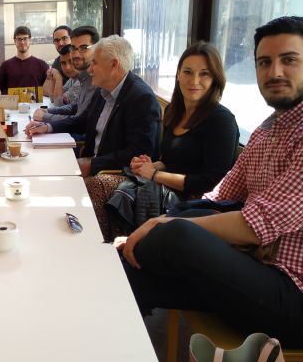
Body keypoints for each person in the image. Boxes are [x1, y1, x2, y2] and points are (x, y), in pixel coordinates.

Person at [118, 16, 303, 347]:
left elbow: (252, 226)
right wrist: (162, 224)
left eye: (289, 60)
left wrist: (164, 221)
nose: (274, 72)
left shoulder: (227, 121)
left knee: (175, 233)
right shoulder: (267, 130)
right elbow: (220, 194)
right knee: (125, 273)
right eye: (264, 62)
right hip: (251, 267)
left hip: (291, 296)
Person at [27, 35, 161, 239]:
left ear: (114, 65)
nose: (89, 69)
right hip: (91, 161)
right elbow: (83, 120)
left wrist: (93, 164)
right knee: (43, 164)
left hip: (116, 173)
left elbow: (139, 153)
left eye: (95, 63)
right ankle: (46, 231)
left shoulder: (141, 98)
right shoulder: (103, 90)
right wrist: (48, 126)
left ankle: (82, 240)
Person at [106, 42, 239, 238]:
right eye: (187, 72)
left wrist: (154, 175)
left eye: (204, 73)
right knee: (97, 186)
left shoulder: (221, 121)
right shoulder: (173, 111)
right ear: (178, 74)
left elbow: (211, 182)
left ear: (215, 79)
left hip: (193, 204)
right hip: (162, 187)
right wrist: (148, 165)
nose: (194, 80)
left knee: (100, 189)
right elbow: (169, 161)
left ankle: (119, 253)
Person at [32, 26, 100, 124]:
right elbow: (55, 99)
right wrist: (48, 113)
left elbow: (79, 119)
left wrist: (46, 117)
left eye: (83, 48)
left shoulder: (94, 78)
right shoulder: (62, 65)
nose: (68, 67)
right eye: (74, 49)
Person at [0, 26, 49, 94]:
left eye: (25, 39)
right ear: (15, 41)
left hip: (36, 104)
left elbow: (47, 91)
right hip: (12, 104)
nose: (22, 42)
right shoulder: (5, 66)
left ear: (30, 40)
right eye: (19, 39)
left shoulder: (42, 65)